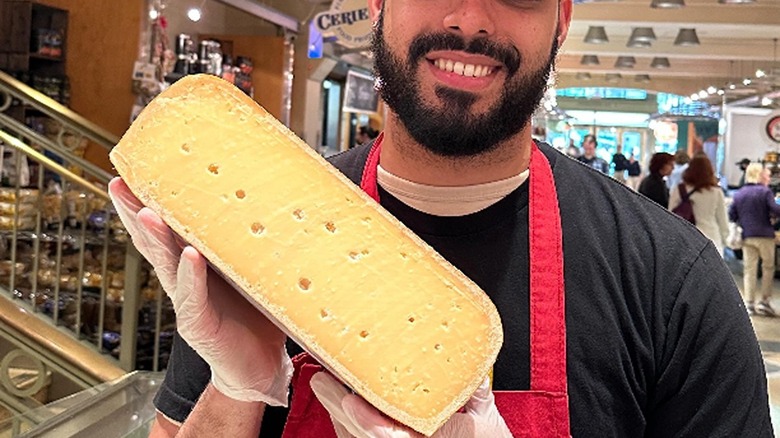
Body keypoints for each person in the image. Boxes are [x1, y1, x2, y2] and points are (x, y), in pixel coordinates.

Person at [111, 0, 772, 436]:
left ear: (561, 19)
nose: (470, 18)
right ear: (378, 3)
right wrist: (234, 387)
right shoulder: (260, 229)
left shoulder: (672, 279)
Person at [729, 163, 780, 317]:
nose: (768, 178)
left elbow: (732, 214)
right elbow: (776, 210)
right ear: (759, 175)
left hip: (747, 236)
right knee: (768, 268)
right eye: (767, 175)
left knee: (749, 270)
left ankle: (749, 302)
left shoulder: (740, 193)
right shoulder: (765, 192)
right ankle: (764, 301)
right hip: (765, 236)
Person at [668, 154, 729, 254]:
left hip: (686, 240)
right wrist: (725, 240)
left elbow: (671, 214)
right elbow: (722, 220)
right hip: (712, 239)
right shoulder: (716, 192)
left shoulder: (679, 190)